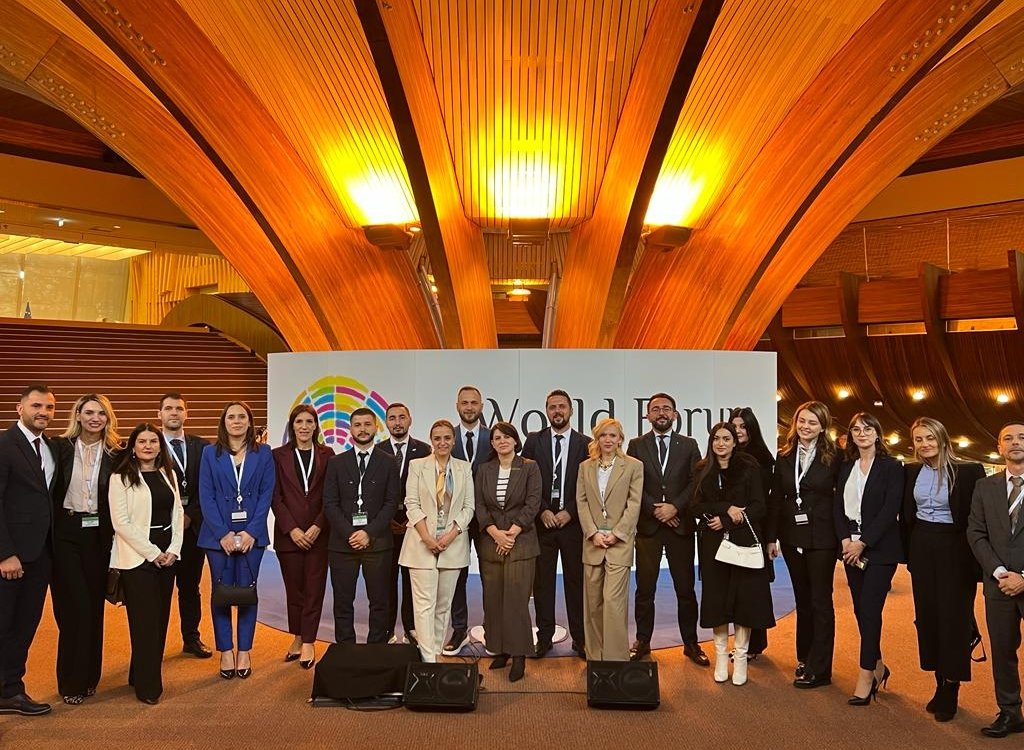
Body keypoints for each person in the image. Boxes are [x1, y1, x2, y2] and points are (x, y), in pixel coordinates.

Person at [903, 417, 985, 722]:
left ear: (942, 438)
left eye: (930, 438)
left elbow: (978, 518)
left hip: (956, 547)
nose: (925, 444)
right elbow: (905, 514)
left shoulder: (969, 471)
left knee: (954, 617)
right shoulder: (911, 471)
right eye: (919, 439)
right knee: (928, 616)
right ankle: (938, 680)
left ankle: (951, 686)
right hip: (922, 545)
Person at [690, 422, 774, 686]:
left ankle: (740, 658)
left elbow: (759, 506)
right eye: (716, 438)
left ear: (735, 442)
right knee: (717, 601)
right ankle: (719, 656)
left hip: (743, 542)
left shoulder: (749, 467)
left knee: (743, 601)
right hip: (712, 545)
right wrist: (726, 508)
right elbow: (695, 507)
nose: (721, 443)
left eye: (726, 438)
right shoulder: (702, 469)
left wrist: (727, 520)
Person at [51, 394, 120, 704]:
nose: (95, 418)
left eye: (101, 413)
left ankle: (90, 677)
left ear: (108, 418)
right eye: (89, 412)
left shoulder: (116, 453)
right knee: (74, 607)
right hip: (65, 533)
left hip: (99, 536)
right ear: (77, 415)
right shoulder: (59, 448)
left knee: (93, 608)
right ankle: (71, 682)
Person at [198, 401, 275, 680]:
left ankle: (244, 650)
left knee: (247, 592)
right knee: (221, 594)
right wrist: (223, 534)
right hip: (217, 537)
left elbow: (267, 494)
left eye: (242, 416)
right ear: (224, 422)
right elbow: (206, 495)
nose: (237, 421)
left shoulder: (263, 453)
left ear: (250, 422)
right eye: (231, 416)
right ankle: (226, 650)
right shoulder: (210, 453)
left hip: (253, 536)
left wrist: (252, 531)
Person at [628, 393, 707, 666]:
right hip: (648, 528)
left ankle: (691, 643)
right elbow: (633, 482)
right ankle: (642, 641)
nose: (661, 413)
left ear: (674, 414)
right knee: (644, 590)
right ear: (647, 415)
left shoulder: (689, 444)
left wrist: (674, 507)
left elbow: (695, 482)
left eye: (666, 408)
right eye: (656, 409)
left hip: (680, 527)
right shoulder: (636, 445)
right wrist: (656, 510)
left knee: (685, 589)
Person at [108, 423, 184, 704]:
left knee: (160, 620)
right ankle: (148, 687)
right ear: (133, 446)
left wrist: (174, 549)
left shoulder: (168, 473)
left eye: (153, 441)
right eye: (142, 441)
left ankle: (138, 673)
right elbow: (121, 523)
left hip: (168, 558)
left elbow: (178, 513)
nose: (148, 446)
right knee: (144, 622)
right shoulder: (120, 477)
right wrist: (153, 553)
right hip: (138, 558)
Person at [767, 401, 839, 688]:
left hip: (823, 537)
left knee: (820, 600)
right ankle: (804, 657)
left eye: (812, 422)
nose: (805, 427)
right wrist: (771, 537)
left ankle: (821, 668)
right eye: (802, 421)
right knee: (802, 600)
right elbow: (776, 498)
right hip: (791, 535)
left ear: (822, 427)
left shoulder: (835, 456)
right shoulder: (784, 455)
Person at [834, 412, 904, 705]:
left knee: (870, 609)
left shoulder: (891, 466)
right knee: (860, 610)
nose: (861, 433)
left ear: (877, 433)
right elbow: (837, 506)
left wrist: (863, 542)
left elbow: (891, 509)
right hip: (850, 547)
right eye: (856, 429)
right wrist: (846, 541)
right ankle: (878, 665)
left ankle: (865, 676)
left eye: (867, 428)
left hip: (880, 548)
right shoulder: (845, 466)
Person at [0, 384, 57, 717]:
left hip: (40, 554)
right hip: (11, 558)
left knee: (25, 625)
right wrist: (5, 553)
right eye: (36, 406)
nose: (43, 412)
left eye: (49, 407)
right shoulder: (5, 445)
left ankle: (10, 689)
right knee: (4, 624)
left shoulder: (49, 447)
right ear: (19, 409)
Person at [399, 420, 475, 662]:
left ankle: (435, 654)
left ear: (454, 441)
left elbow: (469, 508)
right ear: (431, 441)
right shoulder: (417, 465)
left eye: (447, 438)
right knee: (424, 606)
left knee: (443, 606)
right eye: (437, 438)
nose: (442, 442)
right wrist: (427, 538)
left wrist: (450, 535)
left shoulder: (464, 468)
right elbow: (411, 503)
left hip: (453, 546)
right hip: (421, 545)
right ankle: (428, 661)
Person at [521, 389, 589, 660]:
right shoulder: (533, 441)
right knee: (542, 585)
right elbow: (525, 480)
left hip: (573, 525)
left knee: (576, 583)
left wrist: (570, 511)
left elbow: (588, 486)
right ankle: (545, 637)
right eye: (552, 407)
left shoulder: (586, 443)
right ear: (546, 411)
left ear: (571, 410)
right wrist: (542, 511)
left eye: (562, 406)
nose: (557, 411)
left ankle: (580, 639)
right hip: (542, 525)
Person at [323, 407, 400, 644]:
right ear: (350, 429)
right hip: (342, 544)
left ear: (376, 427)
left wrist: (368, 533)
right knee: (343, 601)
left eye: (367, 424)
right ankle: (346, 648)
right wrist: (351, 533)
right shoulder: (336, 462)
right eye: (357, 425)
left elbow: (391, 503)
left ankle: (376, 648)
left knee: (380, 601)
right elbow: (329, 503)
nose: (363, 429)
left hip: (378, 543)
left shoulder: (389, 462)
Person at [967, 421, 1024, 738]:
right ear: (999, 447)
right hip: (998, 584)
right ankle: (1010, 712)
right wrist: (1000, 572)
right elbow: (976, 533)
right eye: (1008, 438)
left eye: (1022, 437)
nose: (1015, 442)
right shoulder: (984, 487)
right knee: (1003, 652)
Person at [476, 422, 542, 682]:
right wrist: (495, 533)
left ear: (515, 440)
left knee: (516, 601)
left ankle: (519, 654)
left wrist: (512, 532)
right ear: (492, 443)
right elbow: (480, 505)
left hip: (521, 542)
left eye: (507, 437)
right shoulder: (484, 469)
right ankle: (500, 649)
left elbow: (533, 503)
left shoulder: (529, 467)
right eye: (497, 438)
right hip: (491, 542)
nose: (502, 441)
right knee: (493, 601)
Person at [576, 417, 642, 661]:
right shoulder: (585, 467)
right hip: (592, 543)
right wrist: (592, 532)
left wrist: (617, 534)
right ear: (597, 438)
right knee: (593, 604)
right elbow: (581, 501)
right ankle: (595, 657)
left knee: (613, 603)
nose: (608, 440)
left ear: (620, 439)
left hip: (619, 544)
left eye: (613, 435)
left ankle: (615, 659)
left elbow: (634, 504)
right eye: (603, 435)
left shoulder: (634, 466)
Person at [271, 404, 332, 668]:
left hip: (319, 534)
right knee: (294, 590)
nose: (304, 426)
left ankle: (309, 641)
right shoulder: (277, 455)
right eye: (299, 422)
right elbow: (275, 497)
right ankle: (297, 636)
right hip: (289, 535)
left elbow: (331, 494)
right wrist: (292, 529)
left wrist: (318, 525)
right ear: (292, 426)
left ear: (316, 426)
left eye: (309, 421)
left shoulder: (328, 454)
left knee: (314, 590)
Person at [156, 392, 212, 659]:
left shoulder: (202, 447)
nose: (174, 413)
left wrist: (190, 514)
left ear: (186, 414)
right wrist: (176, 517)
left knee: (190, 587)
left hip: (193, 529)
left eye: (179, 408)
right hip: (162, 532)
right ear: (159, 414)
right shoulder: (150, 444)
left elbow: (208, 487)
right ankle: (154, 644)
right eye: (168, 408)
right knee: (160, 592)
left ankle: (191, 638)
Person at [375, 402, 431, 646]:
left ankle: (411, 628)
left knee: (411, 581)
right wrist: (385, 519)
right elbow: (373, 491)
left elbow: (428, 490)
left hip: (414, 526)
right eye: (392, 418)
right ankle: (387, 629)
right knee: (385, 581)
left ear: (410, 420)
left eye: (401, 417)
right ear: (386, 422)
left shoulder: (424, 450)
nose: (397, 422)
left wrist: (412, 519)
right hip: (384, 527)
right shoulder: (377, 450)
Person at [446, 385, 492, 655]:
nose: (469, 407)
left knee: (490, 576)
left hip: (487, 519)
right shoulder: (447, 437)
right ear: (457, 406)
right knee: (457, 576)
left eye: (474, 402)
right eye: (464, 402)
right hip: (456, 519)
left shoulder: (493, 437)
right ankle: (459, 629)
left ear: (481, 407)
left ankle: (491, 629)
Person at [730, 406, 775, 660]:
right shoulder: (727, 454)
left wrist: (770, 538)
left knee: (753, 589)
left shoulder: (762, 459)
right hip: (732, 528)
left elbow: (767, 503)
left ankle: (754, 644)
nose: (738, 431)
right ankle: (744, 643)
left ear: (751, 429)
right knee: (737, 589)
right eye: (735, 426)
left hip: (755, 529)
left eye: (743, 426)